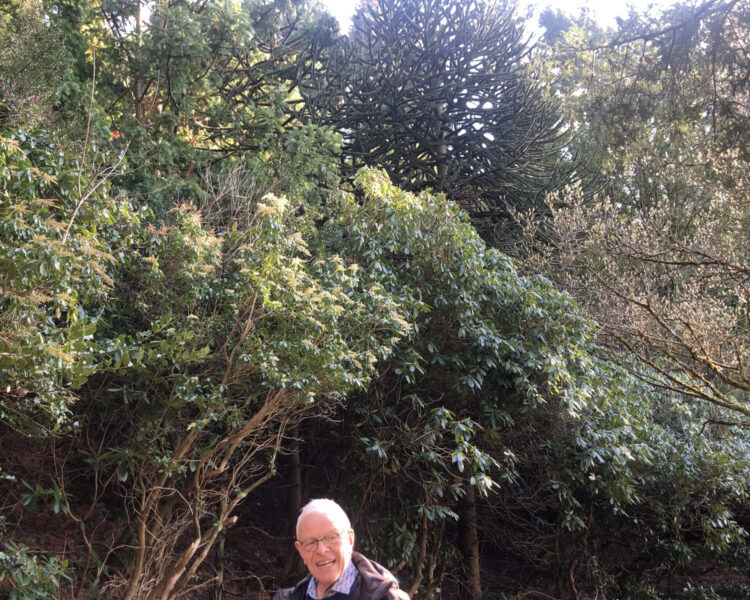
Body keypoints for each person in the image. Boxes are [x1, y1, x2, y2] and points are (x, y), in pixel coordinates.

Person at [274, 498, 410, 600]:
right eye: (311, 542)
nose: (321, 550)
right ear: (301, 551)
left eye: (331, 537)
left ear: (350, 539)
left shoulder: (388, 597)